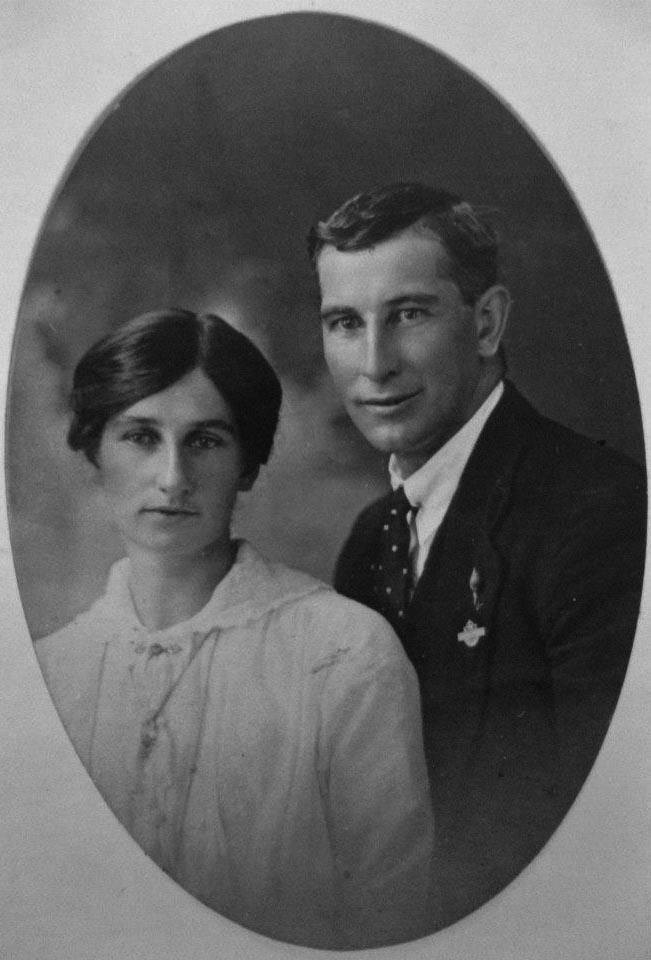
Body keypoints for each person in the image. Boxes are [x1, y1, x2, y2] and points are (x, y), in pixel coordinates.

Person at [34, 308, 434, 950]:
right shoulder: (47, 675)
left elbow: (395, 918)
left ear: (248, 465)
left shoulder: (342, 655)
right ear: (94, 453)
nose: (172, 479)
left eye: (206, 441)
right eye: (140, 437)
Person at [308, 182, 646, 927]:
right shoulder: (370, 540)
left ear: (486, 322)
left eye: (408, 314)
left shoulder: (598, 511)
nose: (373, 364)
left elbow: (620, 824)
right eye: (343, 323)